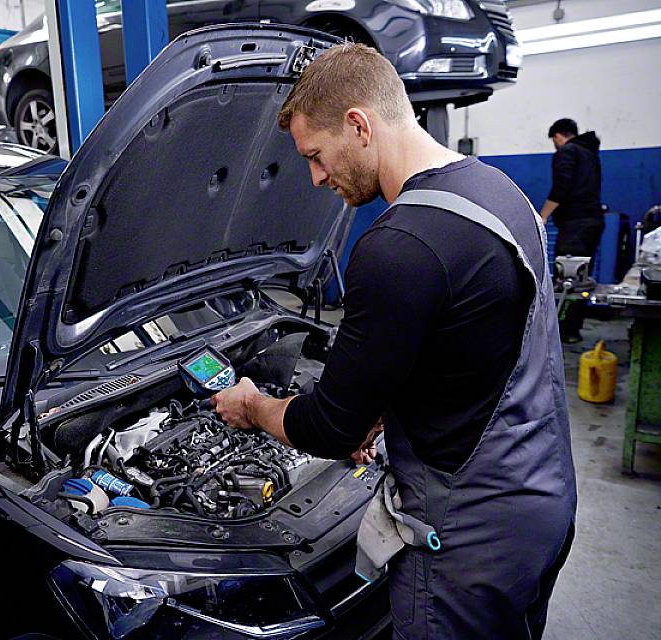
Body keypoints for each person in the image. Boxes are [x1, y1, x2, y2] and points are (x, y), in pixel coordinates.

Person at [212, 43, 577, 639]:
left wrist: (252, 406)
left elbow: (329, 429)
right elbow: (478, 341)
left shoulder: (398, 246)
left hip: (466, 540)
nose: (316, 177)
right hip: (544, 498)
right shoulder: (500, 192)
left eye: (315, 155)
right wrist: (387, 407)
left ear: (359, 126)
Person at [539, 118, 604, 257]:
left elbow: (561, 186)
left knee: (567, 266)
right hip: (593, 220)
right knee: (582, 267)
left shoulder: (567, 151)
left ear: (557, 136)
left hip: (575, 222)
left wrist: (543, 216)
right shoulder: (590, 154)